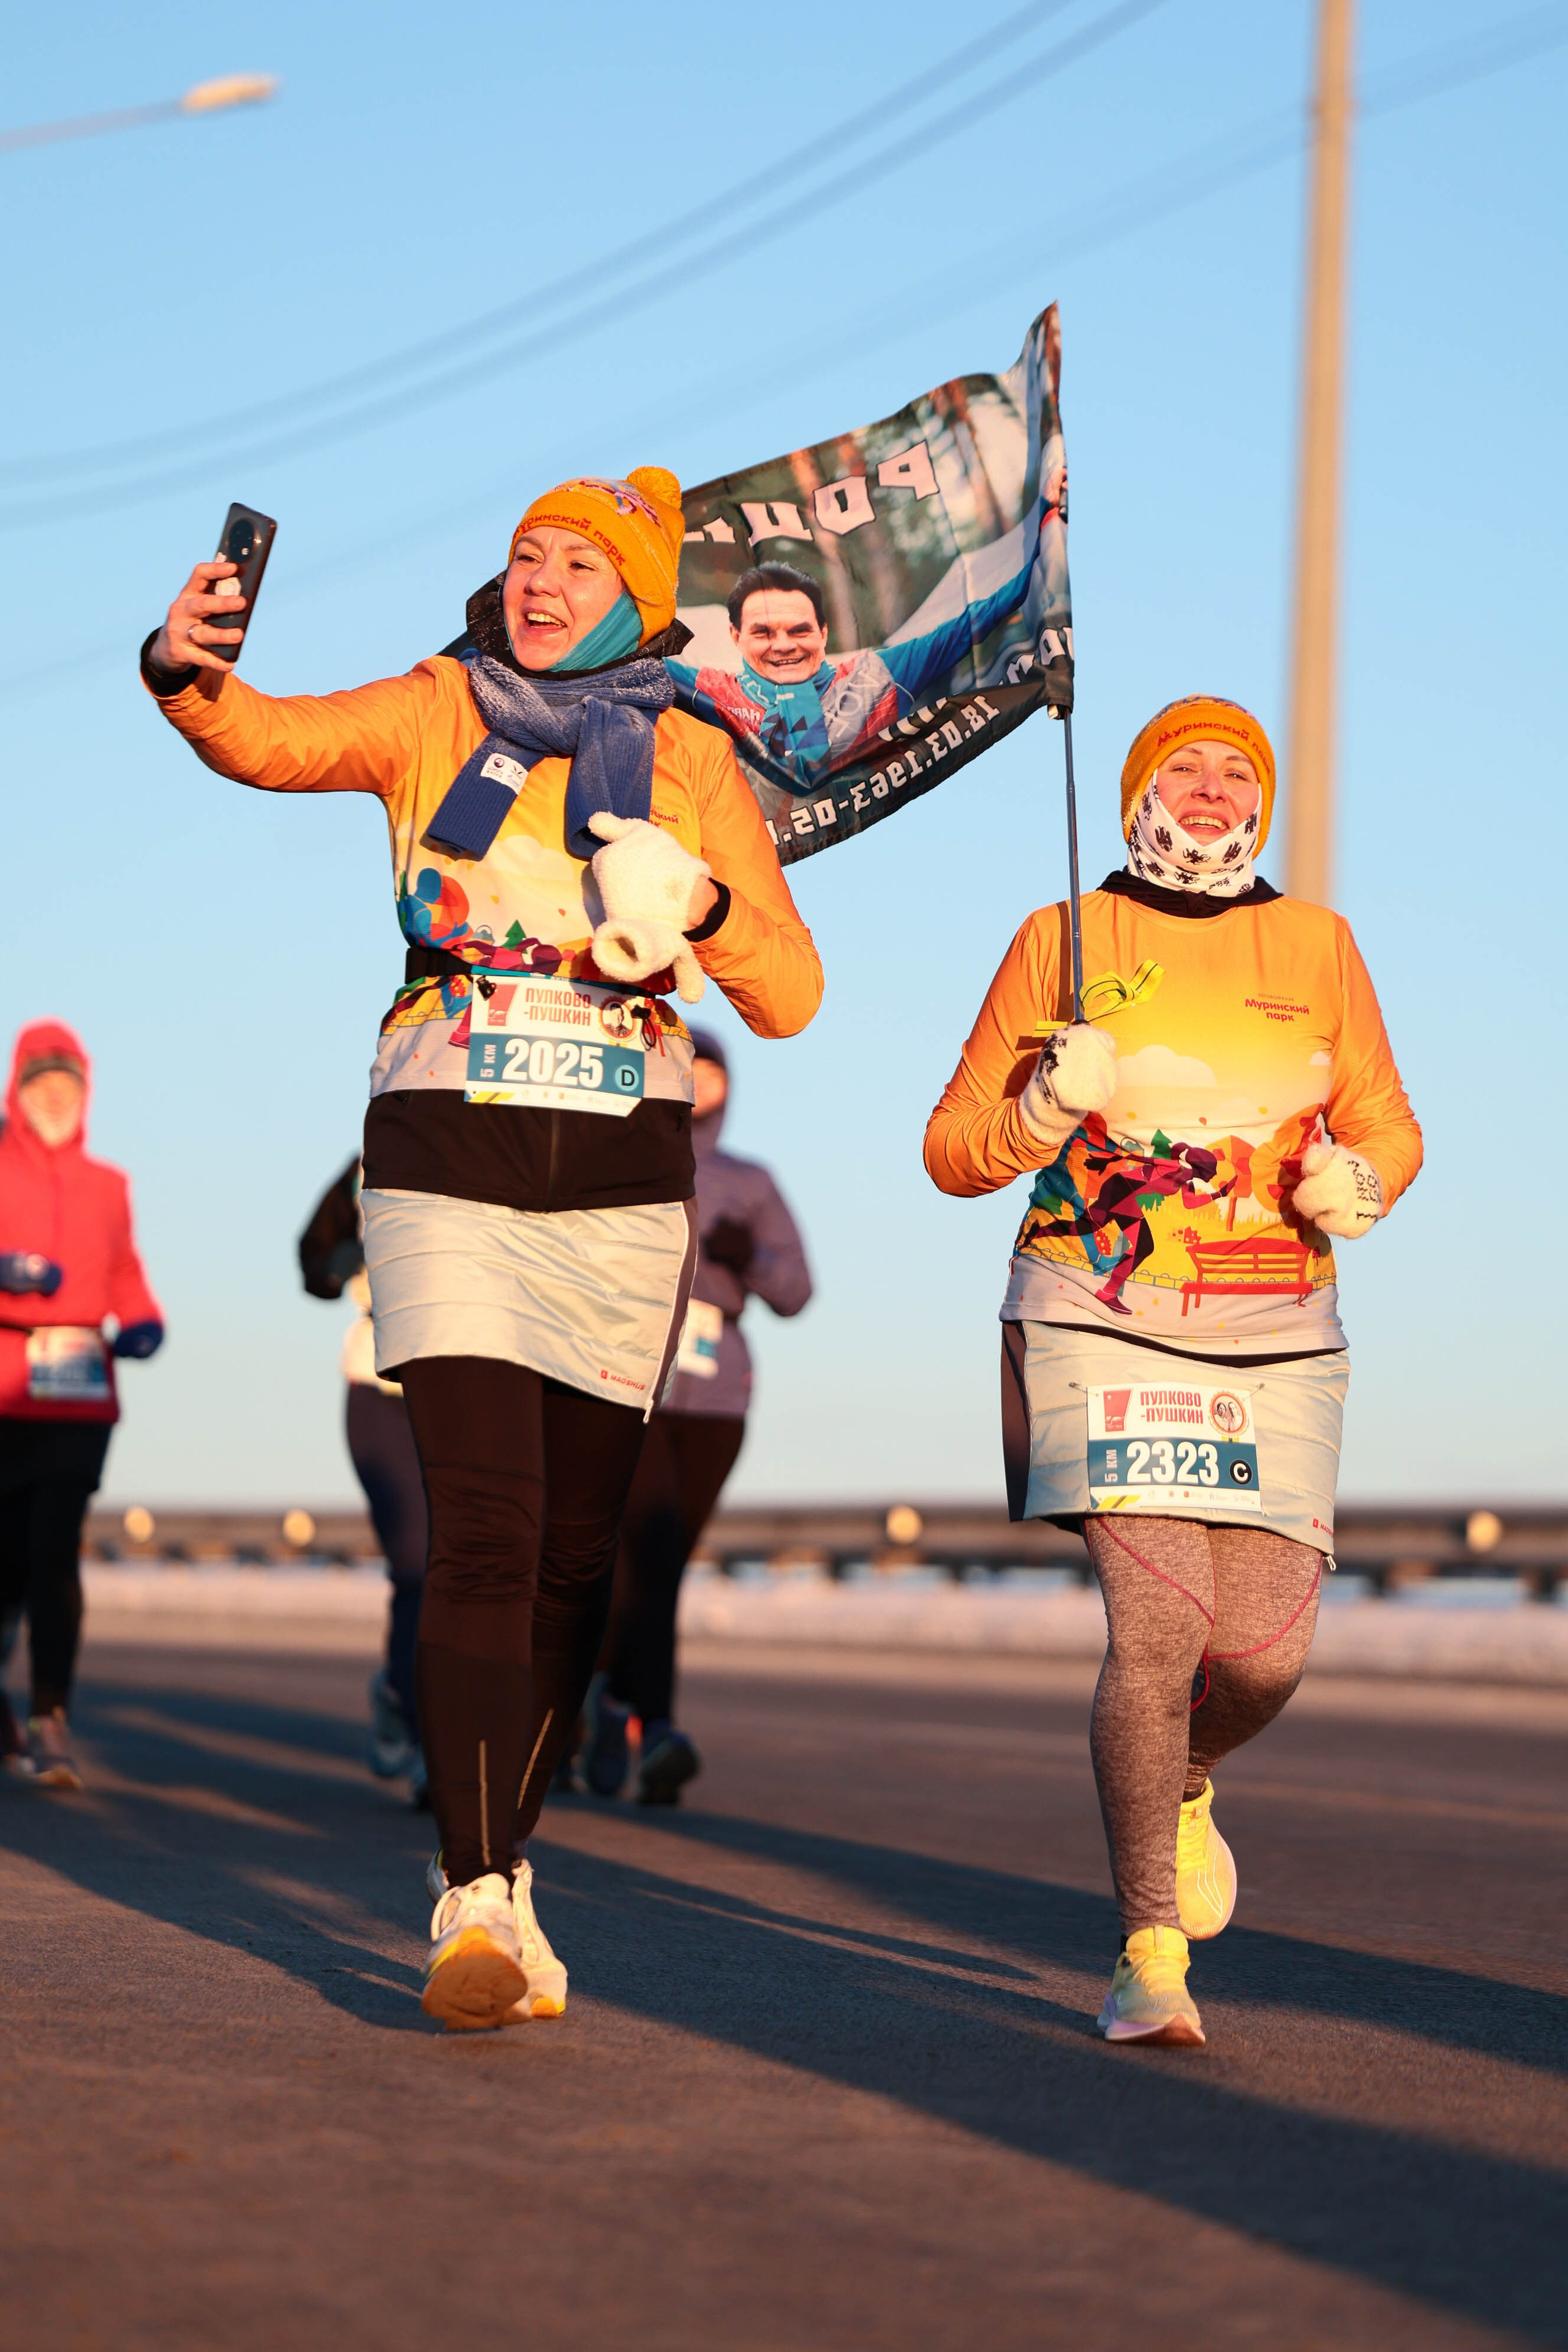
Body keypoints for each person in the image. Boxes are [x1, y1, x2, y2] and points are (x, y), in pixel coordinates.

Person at [142, 466, 823, 2031]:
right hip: (445, 1141)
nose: (541, 578)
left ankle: (512, 1874)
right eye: (526, 552)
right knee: (488, 1531)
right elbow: (270, 736)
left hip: (618, 1175)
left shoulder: (696, 756)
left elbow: (785, 990)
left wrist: (705, 896)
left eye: (578, 560)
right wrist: (189, 668)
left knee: (575, 1559)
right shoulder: (439, 704)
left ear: (638, 592)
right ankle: (467, 1886)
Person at [925, 696, 1422, 2048]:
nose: (1208, 792)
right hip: (1095, 1311)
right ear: (1139, 787)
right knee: (1153, 1633)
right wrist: (1040, 1110)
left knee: (1257, 1658)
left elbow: (1383, 1114)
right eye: (1181, 769)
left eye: (1231, 773)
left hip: (1276, 1329)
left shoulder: (1313, 942)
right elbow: (953, 1145)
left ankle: (1187, 1772)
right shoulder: (1062, 938)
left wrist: (1358, 1175)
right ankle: (1147, 1952)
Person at [580, 1028, 811, 1804]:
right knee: (641, 1553)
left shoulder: (749, 1180)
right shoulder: (620, 1154)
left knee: (664, 1563)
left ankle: (612, 1708)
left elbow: (795, 1292)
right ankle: (651, 1724)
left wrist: (750, 1255)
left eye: (712, 1073)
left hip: (716, 1400)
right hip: (631, 1383)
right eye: (688, 1071)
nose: (699, 1084)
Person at [666, 477, 1060, 799]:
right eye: (764, 632)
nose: (783, 644)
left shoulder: (875, 676)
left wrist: (1042, 519)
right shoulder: (711, 688)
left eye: (799, 629)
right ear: (736, 636)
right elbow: (629, 649)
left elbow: (971, 621)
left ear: (823, 633)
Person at [0, 1023, 164, 1788]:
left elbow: (125, 1270)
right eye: (43, 1086)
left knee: (54, 1552)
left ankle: (50, 1716)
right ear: (19, 1091)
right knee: (6, 1561)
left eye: (69, 1087)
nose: (56, 1099)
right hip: (5, 1387)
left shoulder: (109, 1185)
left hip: (78, 1394)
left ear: (84, 1095)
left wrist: (140, 1319)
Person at [299, 1157, 430, 1803]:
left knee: (468, 1560)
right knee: (415, 1561)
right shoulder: (371, 1157)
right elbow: (315, 1258)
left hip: (474, 1378)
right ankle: (413, 1715)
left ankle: (434, 1724)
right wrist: (333, 1263)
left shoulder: (502, 1118)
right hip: (380, 1385)